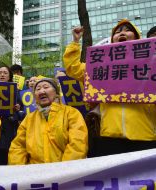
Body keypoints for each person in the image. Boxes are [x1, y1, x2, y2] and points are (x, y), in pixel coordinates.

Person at [63, 19, 156, 157]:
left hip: (145, 136)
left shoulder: (151, 63)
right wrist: (75, 42)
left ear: (137, 38)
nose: (122, 33)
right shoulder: (100, 66)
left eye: (127, 30)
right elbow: (73, 68)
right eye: (117, 32)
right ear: (112, 40)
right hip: (108, 137)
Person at [8, 78, 88, 165]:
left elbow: (77, 145)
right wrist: (20, 172)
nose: (42, 91)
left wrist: (65, 171)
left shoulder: (72, 113)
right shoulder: (29, 119)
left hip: (64, 174)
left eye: (46, 87)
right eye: (38, 89)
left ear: (56, 92)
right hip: (35, 174)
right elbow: (18, 147)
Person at [0, 66, 24, 165]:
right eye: (0, 72)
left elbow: (21, 107)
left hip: (9, 125)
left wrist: (18, 107)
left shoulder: (15, 90)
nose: (2, 75)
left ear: (9, 76)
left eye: (5, 73)